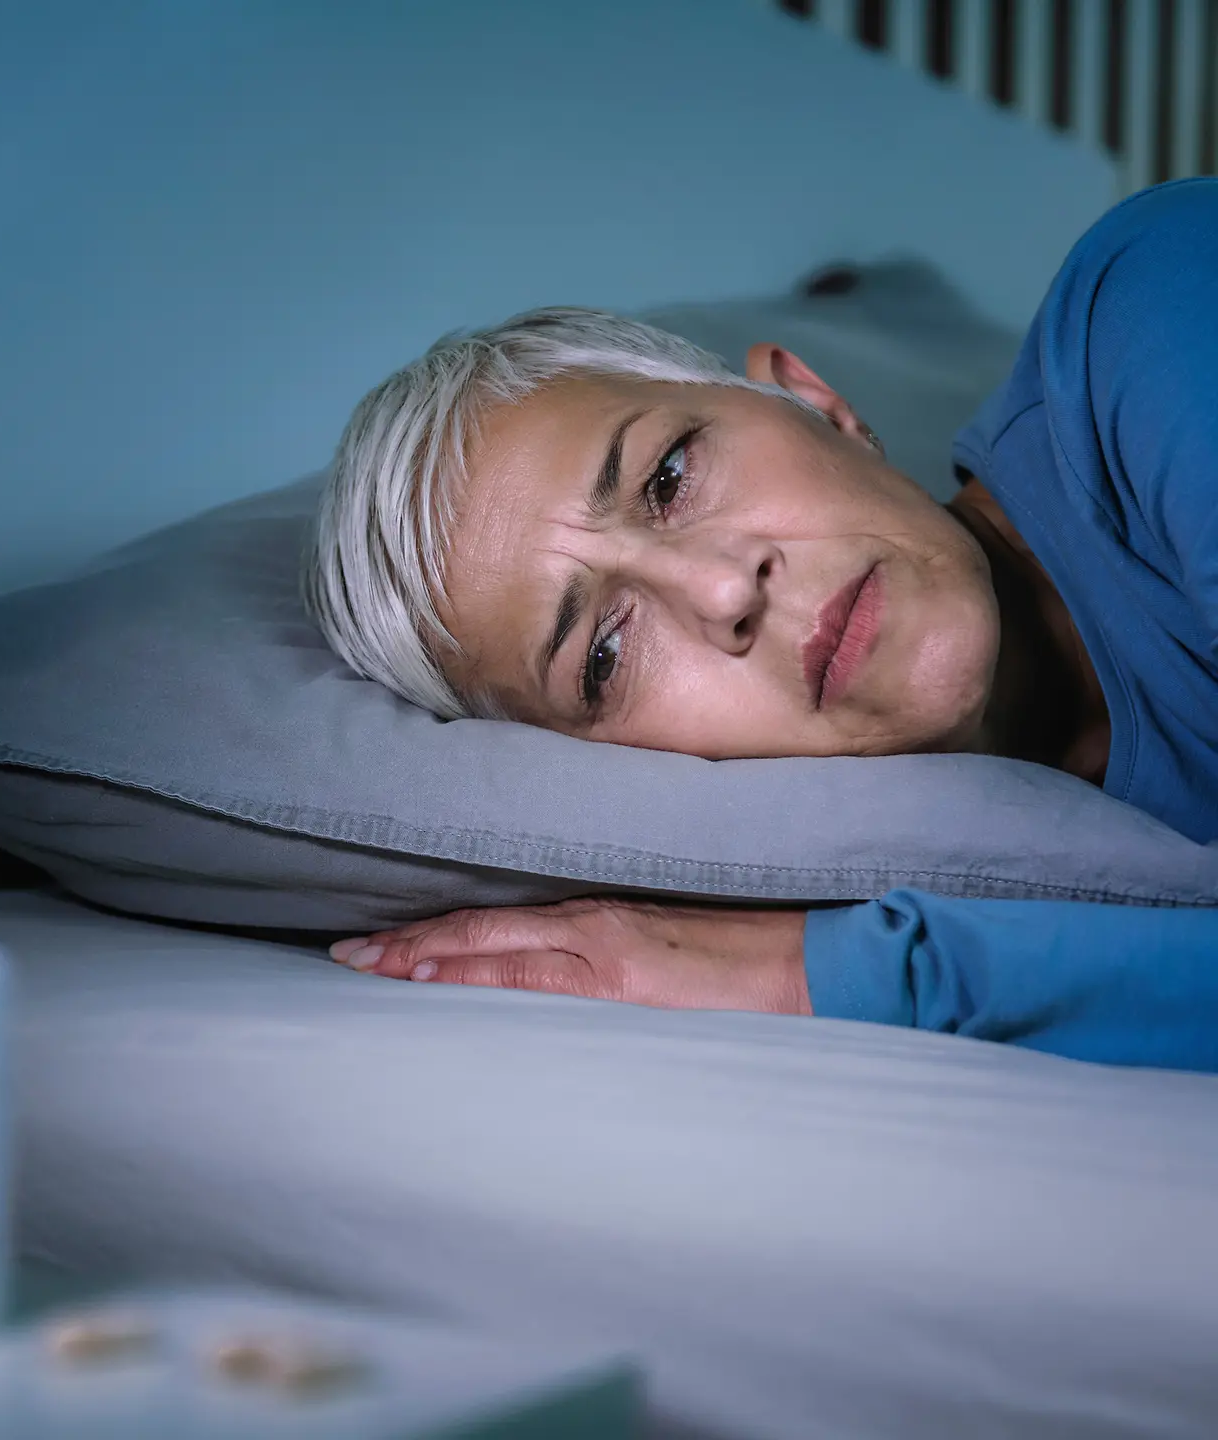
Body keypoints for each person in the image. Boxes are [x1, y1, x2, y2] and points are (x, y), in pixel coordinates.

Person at [306, 178, 1218, 1073]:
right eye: (605, 656)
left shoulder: (1158, 301)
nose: (719, 590)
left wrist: (843, 971)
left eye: (668, 477)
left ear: (817, 403)